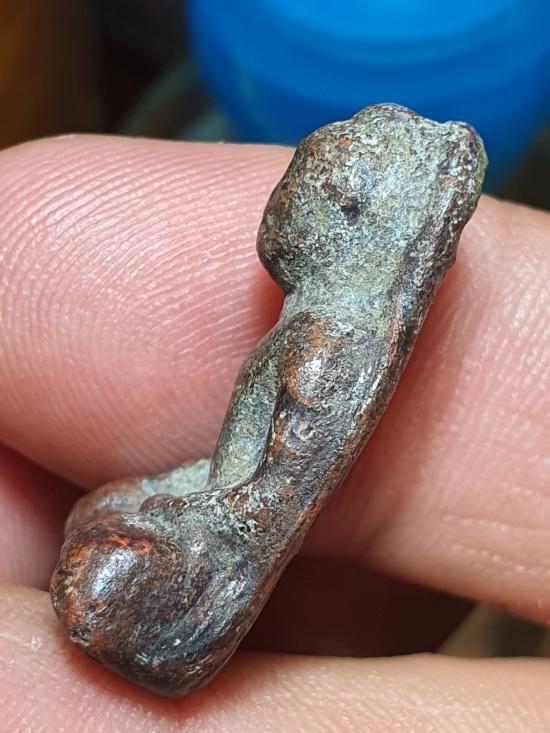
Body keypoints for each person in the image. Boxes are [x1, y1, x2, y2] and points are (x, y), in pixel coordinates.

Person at [0, 134, 548, 730]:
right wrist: (176, 491)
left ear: (351, 217)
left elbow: (275, 492)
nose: (282, 212)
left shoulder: (332, 344)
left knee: (101, 570)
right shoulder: (316, 326)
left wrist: (192, 511)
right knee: (96, 513)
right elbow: (240, 462)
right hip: (214, 514)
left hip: (221, 539)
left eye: (313, 194)